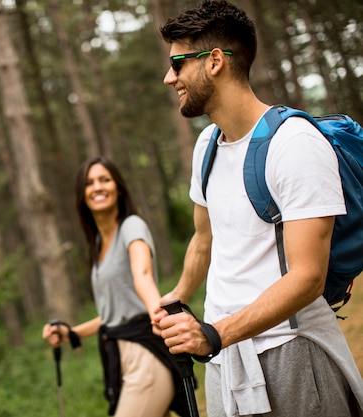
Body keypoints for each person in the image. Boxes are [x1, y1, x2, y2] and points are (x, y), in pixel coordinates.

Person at [152, 1, 363, 416]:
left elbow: (308, 277)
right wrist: (177, 296)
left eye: (178, 63)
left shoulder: (294, 144)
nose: (168, 77)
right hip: (225, 358)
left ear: (215, 61)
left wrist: (213, 334)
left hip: (292, 351)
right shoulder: (207, 145)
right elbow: (204, 237)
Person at [42, 156, 189, 417]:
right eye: (89, 183)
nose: (97, 187)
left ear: (118, 187)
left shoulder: (131, 226)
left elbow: (141, 273)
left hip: (146, 356)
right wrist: (72, 333)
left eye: (104, 180)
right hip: (120, 360)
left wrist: (158, 311)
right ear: (82, 195)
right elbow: (112, 315)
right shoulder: (98, 243)